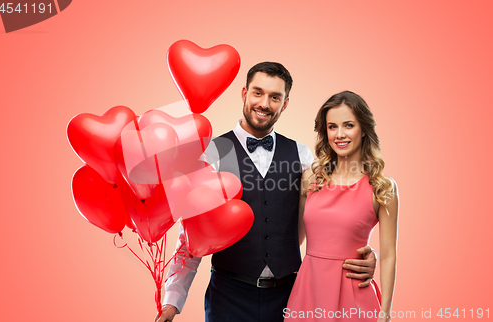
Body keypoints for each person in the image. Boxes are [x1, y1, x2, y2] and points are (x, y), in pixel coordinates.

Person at [156, 63, 378, 322]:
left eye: (275, 97)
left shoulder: (302, 155)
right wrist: (172, 302)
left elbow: (336, 214)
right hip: (228, 297)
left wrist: (363, 253)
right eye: (257, 93)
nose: (264, 103)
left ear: (284, 104)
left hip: (290, 297)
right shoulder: (212, 154)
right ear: (244, 94)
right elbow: (191, 237)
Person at [284, 91, 399, 321]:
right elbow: (294, 239)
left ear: (363, 129)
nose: (340, 134)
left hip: (354, 298)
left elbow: (388, 255)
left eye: (348, 125)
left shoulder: (381, 187)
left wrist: (385, 314)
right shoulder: (310, 179)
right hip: (308, 294)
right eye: (332, 126)